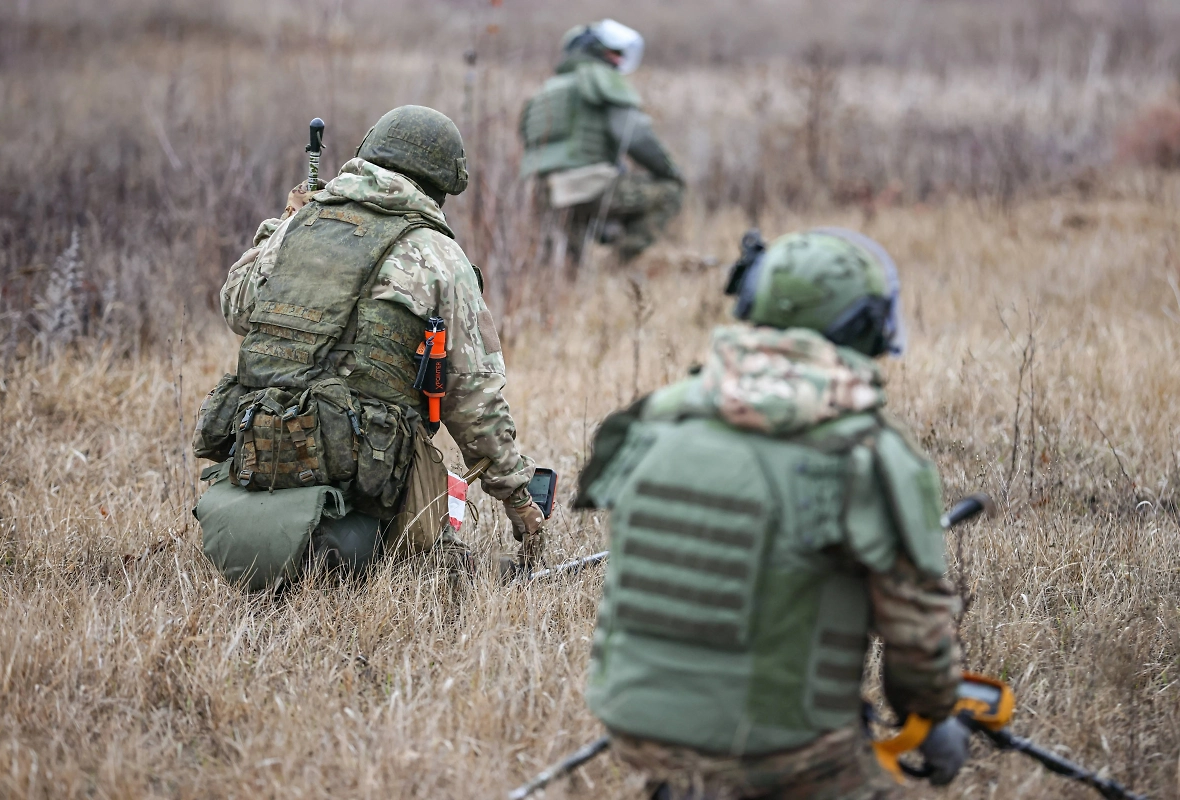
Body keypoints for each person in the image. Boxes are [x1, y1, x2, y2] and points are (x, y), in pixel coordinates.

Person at [574, 229, 967, 799]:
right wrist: (933, 720)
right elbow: (917, 637)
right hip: (781, 749)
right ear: (861, 327)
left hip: (635, 728)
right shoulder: (865, 450)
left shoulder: (658, 418)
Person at [191, 106, 544, 590]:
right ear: (440, 183)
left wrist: (281, 226)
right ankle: (420, 559)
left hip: (266, 456)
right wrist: (518, 498)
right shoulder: (439, 256)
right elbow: (474, 399)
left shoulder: (304, 224)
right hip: (365, 473)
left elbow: (236, 305)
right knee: (435, 564)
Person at [519, 19, 684, 267]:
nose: (618, 60)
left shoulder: (544, 90)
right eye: (614, 52)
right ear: (593, 51)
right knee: (670, 192)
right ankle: (614, 269)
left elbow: (527, 140)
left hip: (541, 193)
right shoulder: (599, 78)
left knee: (568, 267)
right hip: (588, 189)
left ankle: (571, 281)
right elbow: (636, 135)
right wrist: (670, 172)